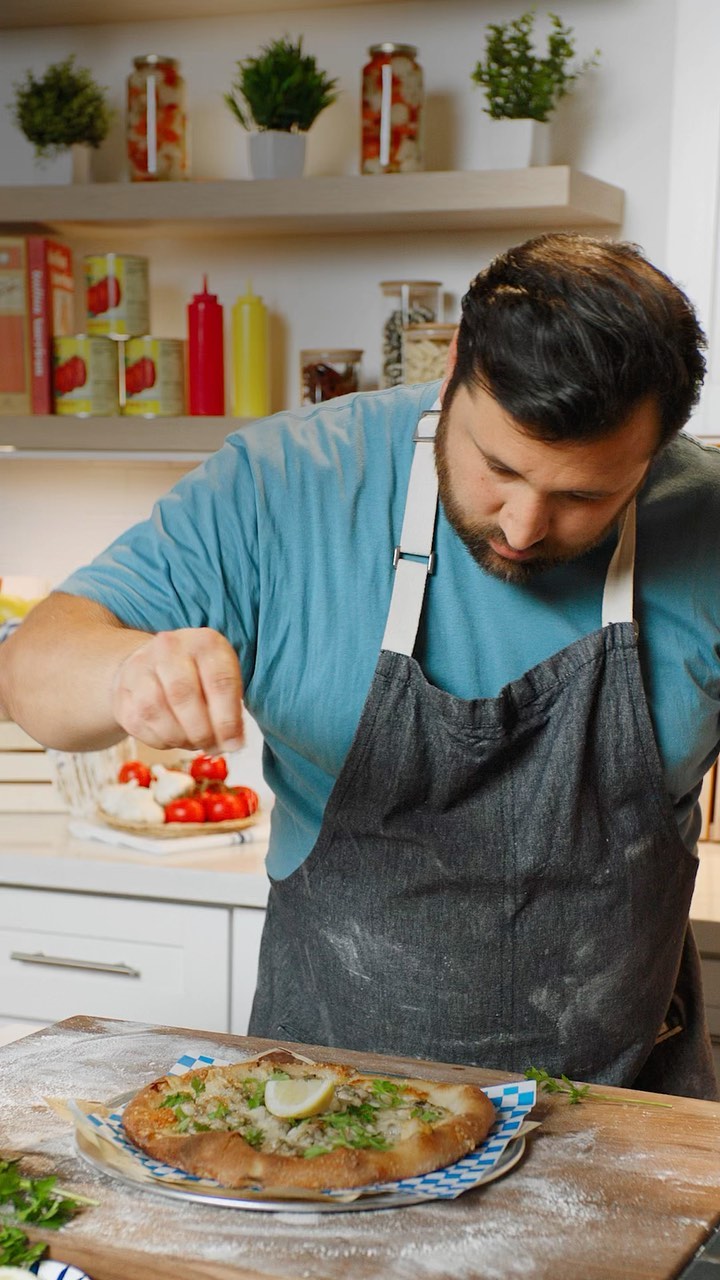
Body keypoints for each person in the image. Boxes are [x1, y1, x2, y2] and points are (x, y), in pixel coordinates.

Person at [1, 232, 719, 1099]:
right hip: (325, 1111)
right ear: (452, 372)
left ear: (657, 452)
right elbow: (30, 670)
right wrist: (127, 673)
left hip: (626, 1111)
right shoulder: (282, 487)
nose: (524, 525)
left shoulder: (707, 518)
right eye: (497, 467)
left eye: (583, 495)